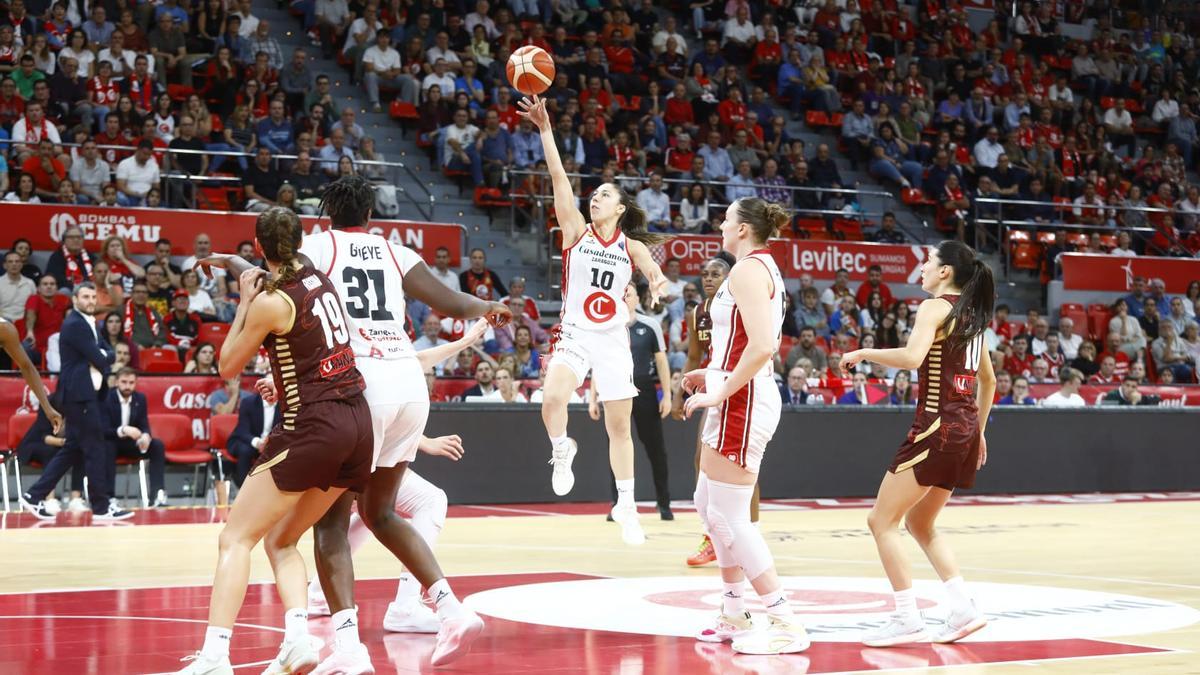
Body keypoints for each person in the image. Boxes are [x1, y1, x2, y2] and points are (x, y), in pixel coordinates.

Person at [198, 176, 511, 669]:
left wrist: (237, 265)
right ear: (371, 216)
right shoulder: (392, 250)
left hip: (356, 387)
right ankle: (449, 608)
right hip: (411, 382)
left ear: (325, 215)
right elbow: (446, 300)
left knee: (330, 523)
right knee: (382, 512)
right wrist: (487, 307)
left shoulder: (318, 246)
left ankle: (347, 647)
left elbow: (278, 279)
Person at [171, 208, 374, 675]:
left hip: (313, 425)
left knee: (234, 538)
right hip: (357, 425)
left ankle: (215, 657)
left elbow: (226, 366)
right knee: (282, 540)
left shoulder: (268, 302)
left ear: (259, 245)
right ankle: (299, 641)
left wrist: (242, 301)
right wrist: (228, 261)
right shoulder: (317, 274)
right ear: (297, 241)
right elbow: (262, 273)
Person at [518, 94, 670, 547]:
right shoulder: (574, 233)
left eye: (605, 195)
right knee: (551, 400)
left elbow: (654, 271)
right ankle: (561, 448)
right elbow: (559, 178)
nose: (595, 198)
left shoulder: (630, 246)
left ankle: (627, 504)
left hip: (611, 341)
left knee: (619, 428)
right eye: (596, 194)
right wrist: (546, 130)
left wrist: (658, 286)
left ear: (620, 208)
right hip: (575, 332)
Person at [840, 239, 996, 647]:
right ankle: (963, 608)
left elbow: (912, 359)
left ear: (945, 272)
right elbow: (989, 381)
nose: (922, 267)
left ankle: (907, 618)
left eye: (928, 261)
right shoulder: (975, 317)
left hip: (936, 425)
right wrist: (979, 431)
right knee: (920, 523)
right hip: (963, 430)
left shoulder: (934, 307)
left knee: (881, 521)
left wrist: (865, 351)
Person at [681, 196, 808, 655]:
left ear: (743, 229)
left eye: (726, 218)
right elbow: (741, 346)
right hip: (737, 392)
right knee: (706, 505)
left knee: (732, 516)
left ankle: (784, 619)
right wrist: (712, 375)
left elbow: (762, 347)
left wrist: (719, 389)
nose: (720, 224)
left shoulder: (747, 270)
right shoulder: (757, 267)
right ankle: (734, 611)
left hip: (745, 398)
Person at [21, 283, 123, 521]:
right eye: (85, 296)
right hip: (79, 394)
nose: (89, 300)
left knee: (72, 448)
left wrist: (106, 355)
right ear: (75, 299)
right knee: (96, 447)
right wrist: (106, 356)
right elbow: (102, 356)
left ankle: (34, 496)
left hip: (82, 394)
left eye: (92, 297)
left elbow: (109, 351)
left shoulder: (92, 323)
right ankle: (100, 507)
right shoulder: (75, 324)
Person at [594, 282, 674, 520]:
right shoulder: (607, 327)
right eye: (621, 294)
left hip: (644, 390)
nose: (625, 297)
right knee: (616, 446)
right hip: (615, 390)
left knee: (655, 449)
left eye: (628, 294)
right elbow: (599, 363)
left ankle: (664, 503)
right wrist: (593, 397)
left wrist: (667, 395)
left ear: (637, 298)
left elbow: (661, 361)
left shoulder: (650, 325)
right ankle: (618, 503)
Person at [103, 367, 168, 506]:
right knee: (107, 446)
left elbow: (144, 423)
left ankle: (157, 496)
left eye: (131, 382)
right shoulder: (106, 398)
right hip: (111, 440)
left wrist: (145, 436)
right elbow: (102, 430)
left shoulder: (140, 398)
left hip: (131, 443)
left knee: (157, 445)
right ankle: (108, 498)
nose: (128, 386)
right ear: (116, 382)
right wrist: (123, 430)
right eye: (124, 382)